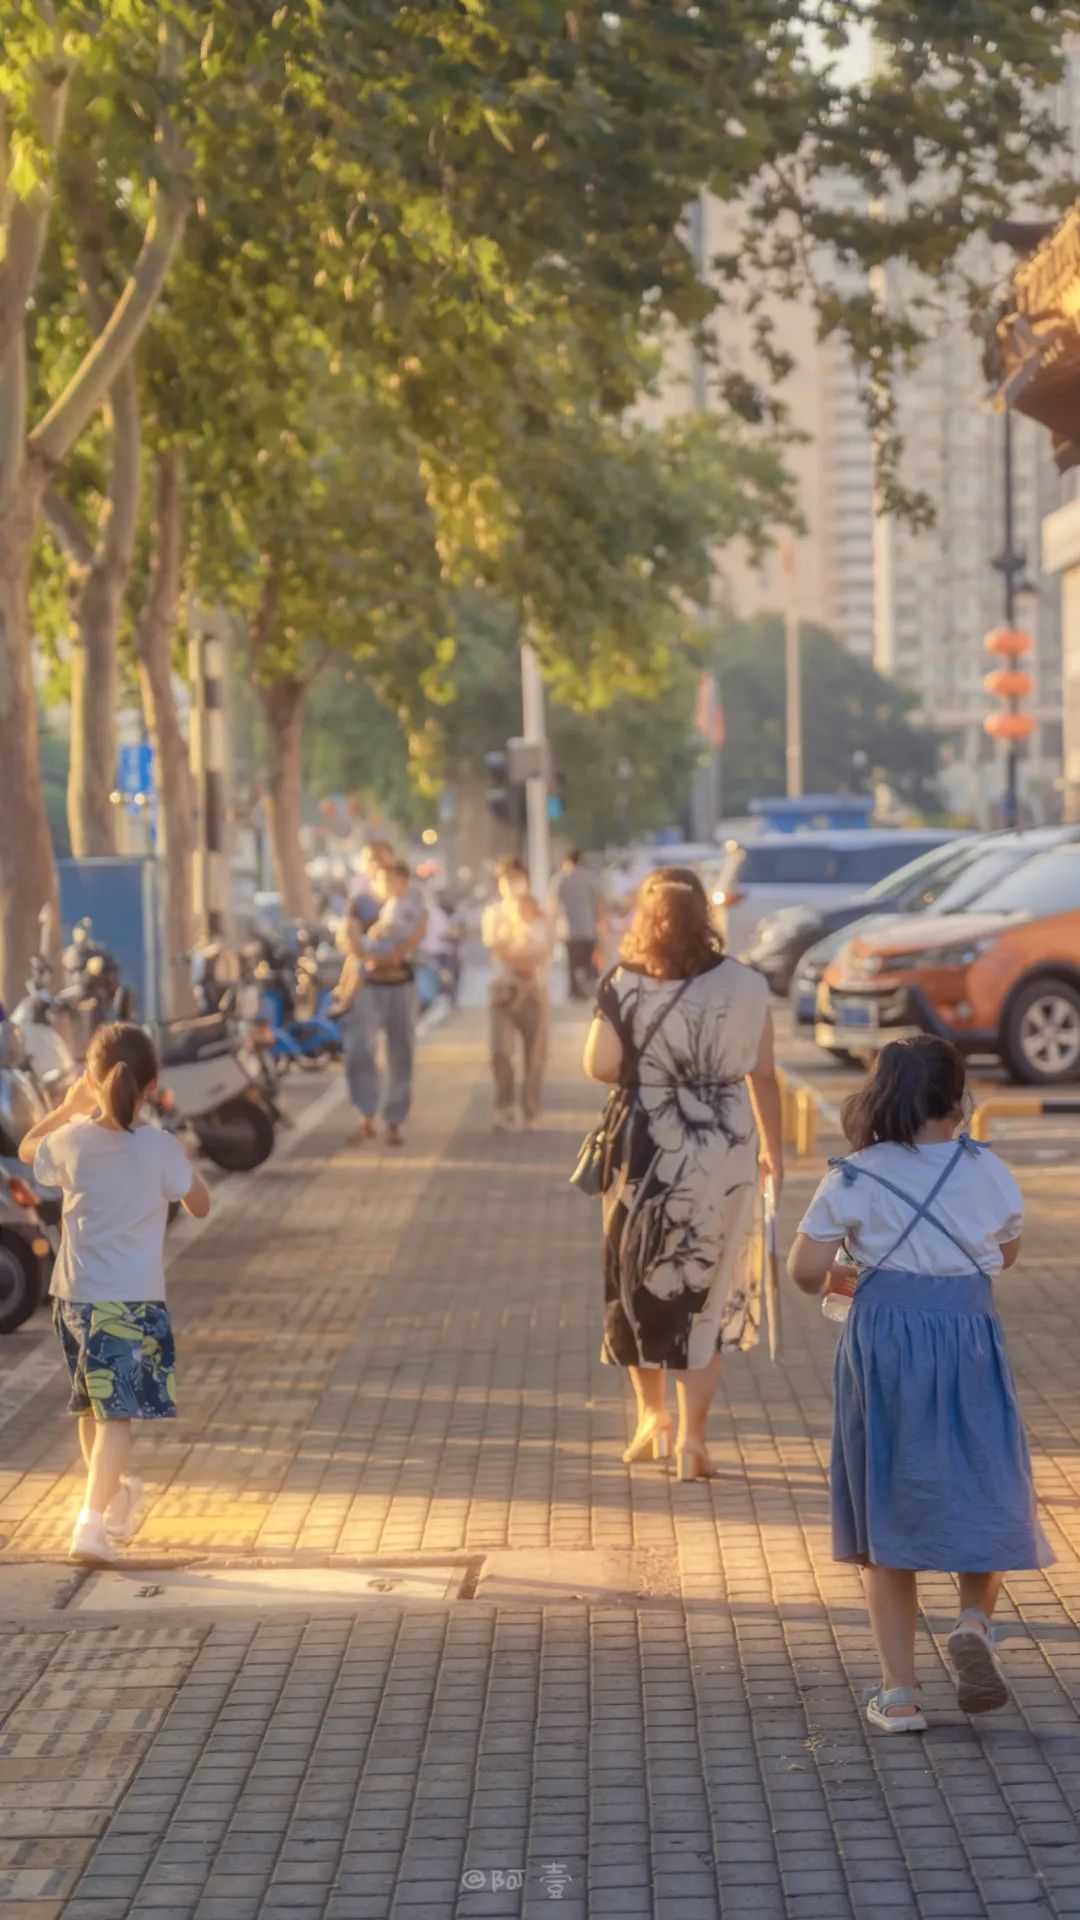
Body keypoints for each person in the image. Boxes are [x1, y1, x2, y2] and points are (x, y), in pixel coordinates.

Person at [788, 1036, 1051, 1734]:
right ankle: (972, 1621)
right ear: (959, 1102)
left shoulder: (854, 1175)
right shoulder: (987, 1170)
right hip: (966, 1344)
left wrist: (849, 1271)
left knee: (888, 1514)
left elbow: (804, 1270)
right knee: (985, 1483)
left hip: (883, 1353)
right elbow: (1007, 1251)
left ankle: (899, 1694)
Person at [583, 867, 783, 1480]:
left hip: (648, 1150)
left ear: (644, 919)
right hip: (726, 1146)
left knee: (638, 1278)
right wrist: (775, 1153)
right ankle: (694, 1439)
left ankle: (653, 1419)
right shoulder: (748, 985)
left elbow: (601, 1064)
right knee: (708, 1289)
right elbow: (765, 1074)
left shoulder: (622, 984)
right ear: (706, 917)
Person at [18, 1023, 211, 1567]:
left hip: (74, 1301)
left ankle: (116, 1496)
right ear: (152, 1085)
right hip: (131, 1303)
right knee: (115, 1419)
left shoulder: (72, 1141)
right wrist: (179, 1161)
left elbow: (31, 1147)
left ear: (93, 1080)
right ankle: (91, 1524)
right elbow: (201, 1205)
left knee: (93, 1410)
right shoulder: (158, 1148)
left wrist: (68, 1106)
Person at [336, 858, 427, 1147]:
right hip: (367, 988)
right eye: (381, 878)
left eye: (393, 879)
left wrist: (390, 957)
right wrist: (368, 956)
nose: (387, 884)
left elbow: (416, 937)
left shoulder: (414, 906)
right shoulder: (359, 904)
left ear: (404, 880)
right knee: (360, 1049)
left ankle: (395, 1121)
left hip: (401, 985)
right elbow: (348, 936)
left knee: (402, 1053)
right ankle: (365, 1115)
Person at [482, 858, 553, 1129]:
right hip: (504, 991)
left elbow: (547, 949)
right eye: (506, 880)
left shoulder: (541, 913)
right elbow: (496, 945)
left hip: (536, 991)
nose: (513, 885)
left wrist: (528, 964)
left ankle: (531, 1111)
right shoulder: (494, 914)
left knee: (535, 1056)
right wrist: (521, 962)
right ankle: (504, 1106)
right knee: (500, 1051)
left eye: (517, 879)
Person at [553, 850, 605, 1000]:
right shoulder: (591, 878)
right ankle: (587, 990)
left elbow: (552, 907)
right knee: (587, 962)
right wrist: (602, 924)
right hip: (588, 929)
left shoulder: (559, 879)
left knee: (572, 963)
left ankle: (574, 990)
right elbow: (599, 904)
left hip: (569, 931)